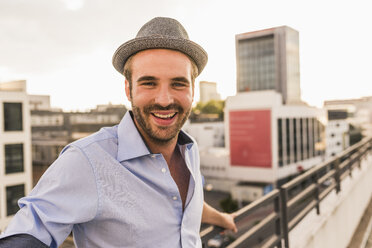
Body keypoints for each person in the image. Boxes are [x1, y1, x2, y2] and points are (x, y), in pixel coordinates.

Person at [0, 17, 237, 248]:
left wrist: (220, 218)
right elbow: (29, 231)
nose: (165, 100)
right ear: (128, 88)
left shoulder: (190, 149)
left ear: (193, 90)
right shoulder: (87, 160)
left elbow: (184, 204)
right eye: (149, 83)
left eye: (178, 83)